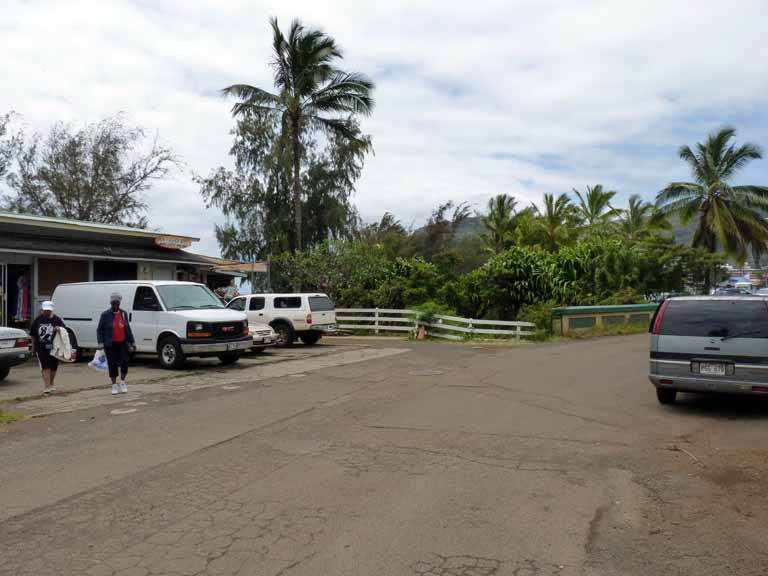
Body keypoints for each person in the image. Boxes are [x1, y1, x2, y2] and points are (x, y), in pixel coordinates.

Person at [97, 292, 135, 395]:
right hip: (111, 343)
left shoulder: (123, 313)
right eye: (113, 303)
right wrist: (100, 343)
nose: (115, 306)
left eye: (117, 304)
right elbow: (99, 330)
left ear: (119, 304)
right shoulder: (105, 315)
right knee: (112, 364)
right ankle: (114, 385)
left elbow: (127, 328)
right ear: (111, 303)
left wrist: (132, 342)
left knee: (125, 362)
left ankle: (122, 382)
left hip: (123, 342)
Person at [30, 301, 65, 394]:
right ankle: (47, 386)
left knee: (53, 366)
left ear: (52, 310)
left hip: (54, 346)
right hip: (41, 347)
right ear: (42, 309)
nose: (46, 312)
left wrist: (59, 329)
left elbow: (64, 331)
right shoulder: (38, 320)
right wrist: (33, 347)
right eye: (45, 310)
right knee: (45, 366)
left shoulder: (57, 320)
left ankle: (51, 383)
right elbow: (33, 334)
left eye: (48, 310)